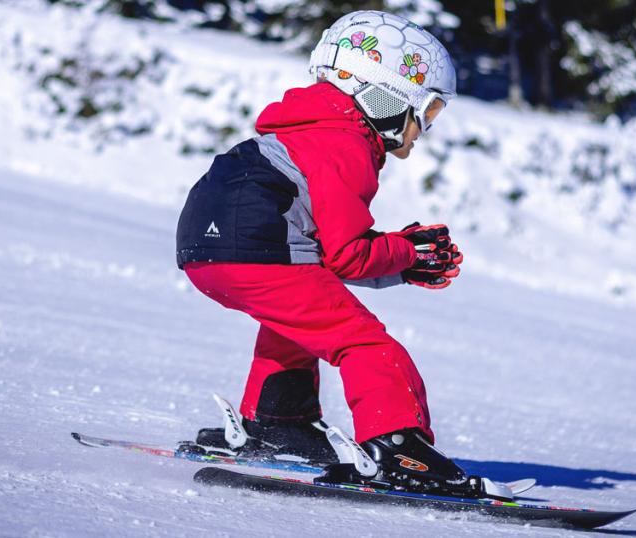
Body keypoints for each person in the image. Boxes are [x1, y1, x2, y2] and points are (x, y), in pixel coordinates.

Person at [176, 10, 475, 494]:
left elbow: (324, 255)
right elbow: (348, 256)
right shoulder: (345, 142)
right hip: (257, 248)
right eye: (429, 110)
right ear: (387, 95)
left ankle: (281, 422)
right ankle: (397, 448)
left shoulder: (303, 131)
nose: (424, 128)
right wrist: (406, 254)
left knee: (298, 319)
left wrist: (400, 258)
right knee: (365, 344)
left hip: (205, 250)